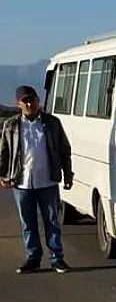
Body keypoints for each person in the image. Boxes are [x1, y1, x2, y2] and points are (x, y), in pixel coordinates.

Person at [0, 86, 74, 274]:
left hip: (47, 181)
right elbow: (4, 153)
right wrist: (3, 175)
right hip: (22, 183)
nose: (30, 104)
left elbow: (64, 150)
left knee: (52, 221)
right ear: (18, 104)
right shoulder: (11, 125)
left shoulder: (52, 123)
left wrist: (68, 174)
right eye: (25, 101)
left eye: (32, 100)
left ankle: (57, 258)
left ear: (38, 100)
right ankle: (33, 258)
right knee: (27, 222)